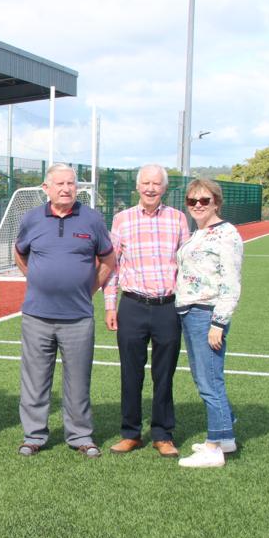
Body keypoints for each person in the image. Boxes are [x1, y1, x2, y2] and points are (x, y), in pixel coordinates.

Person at [14, 164, 115, 458]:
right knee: (34, 380)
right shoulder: (32, 219)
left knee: (78, 381)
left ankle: (80, 436)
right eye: (59, 183)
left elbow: (108, 259)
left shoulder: (92, 219)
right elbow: (19, 253)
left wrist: (88, 289)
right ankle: (34, 435)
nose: (66, 188)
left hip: (78, 317)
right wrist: (35, 278)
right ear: (46, 188)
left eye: (71, 183)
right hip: (36, 316)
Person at [104, 165, 190, 458]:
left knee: (164, 374)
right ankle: (130, 433)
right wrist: (110, 305)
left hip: (167, 307)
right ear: (138, 187)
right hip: (132, 306)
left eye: (156, 183)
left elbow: (187, 266)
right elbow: (113, 267)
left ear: (165, 188)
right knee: (130, 373)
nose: (151, 188)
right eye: (146, 183)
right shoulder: (122, 219)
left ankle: (162, 434)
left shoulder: (178, 219)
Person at [175, 179, 244, 469]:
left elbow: (231, 282)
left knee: (209, 382)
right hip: (190, 312)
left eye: (205, 200)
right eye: (193, 201)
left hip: (206, 313)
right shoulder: (199, 233)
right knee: (205, 378)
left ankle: (214, 449)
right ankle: (224, 437)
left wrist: (219, 321)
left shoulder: (226, 235)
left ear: (216, 201)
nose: (198, 205)